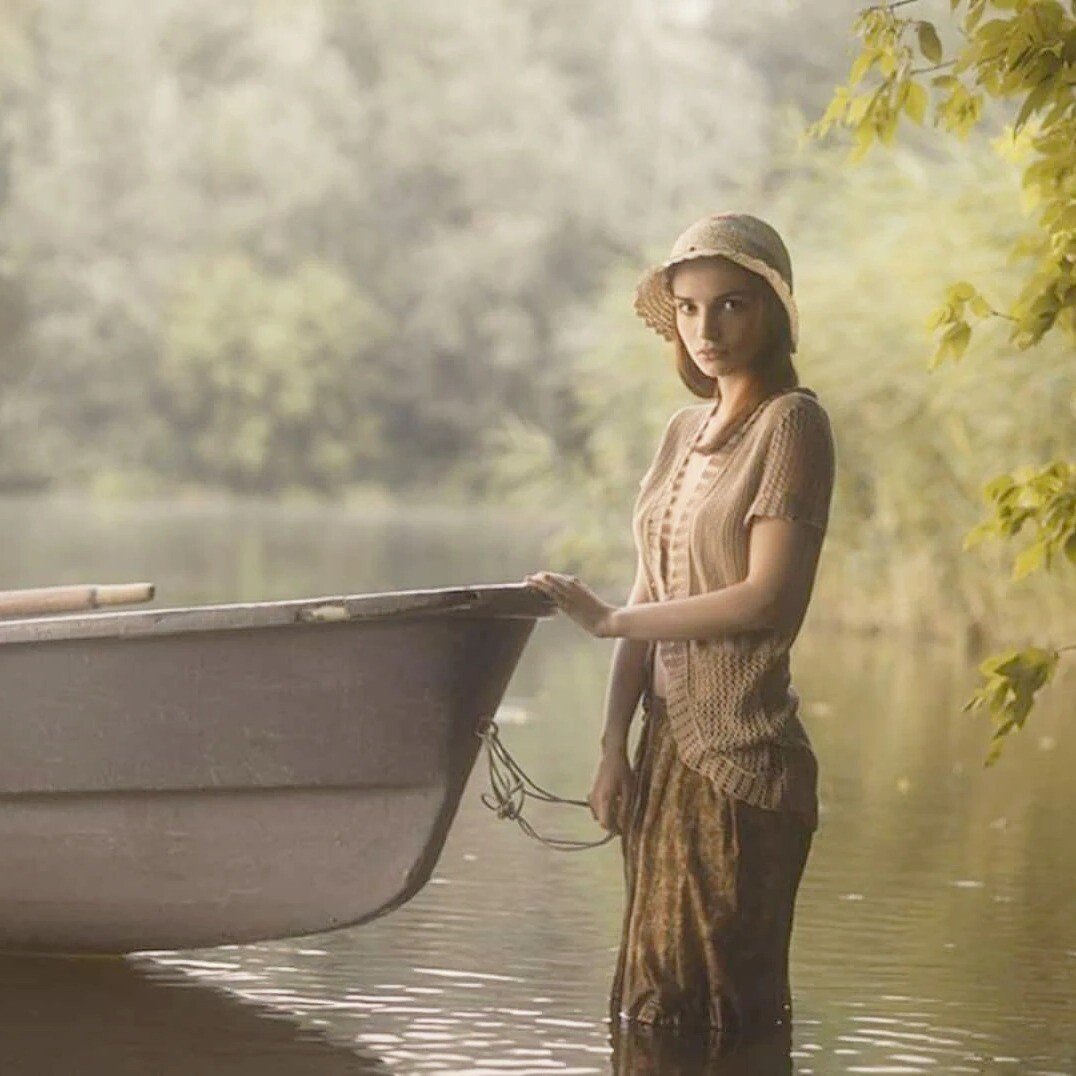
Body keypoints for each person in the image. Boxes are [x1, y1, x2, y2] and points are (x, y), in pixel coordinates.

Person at [523, 211, 836, 1039]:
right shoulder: (680, 434)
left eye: (732, 305)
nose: (708, 329)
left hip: (741, 757)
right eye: (690, 309)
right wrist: (610, 749)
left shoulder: (793, 425)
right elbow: (650, 586)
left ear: (771, 310)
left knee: (726, 1018)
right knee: (651, 1010)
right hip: (663, 754)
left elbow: (769, 598)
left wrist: (614, 620)